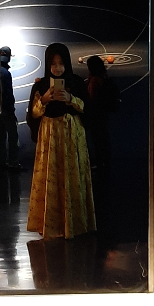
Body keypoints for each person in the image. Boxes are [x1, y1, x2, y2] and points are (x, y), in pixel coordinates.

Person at [27, 43, 96, 239]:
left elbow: (88, 109)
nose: (57, 68)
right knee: (51, 177)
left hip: (71, 133)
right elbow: (33, 114)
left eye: (61, 63)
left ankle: (74, 224)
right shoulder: (40, 85)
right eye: (53, 63)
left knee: (72, 176)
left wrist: (70, 99)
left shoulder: (76, 82)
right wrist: (44, 100)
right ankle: (52, 225)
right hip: (49, 135)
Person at [84, 54, 119, 170]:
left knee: (98, 141)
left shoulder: (94, 80)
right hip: (103, 115)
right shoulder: (103, 76)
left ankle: (100, 164)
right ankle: (105, 163)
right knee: (104, 139)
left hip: (96, 116)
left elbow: (92, 98)